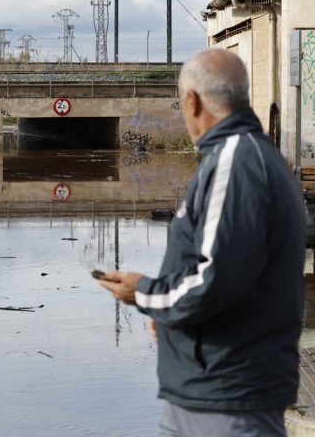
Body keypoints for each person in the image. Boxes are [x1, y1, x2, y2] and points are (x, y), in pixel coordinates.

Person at [99, 48, 305, 436]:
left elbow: (216, 280)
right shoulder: (255, 156)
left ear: (192, 101)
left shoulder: (234, 163)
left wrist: (145, 294)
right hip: (215, 389)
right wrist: (171, 315)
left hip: (226, 394)